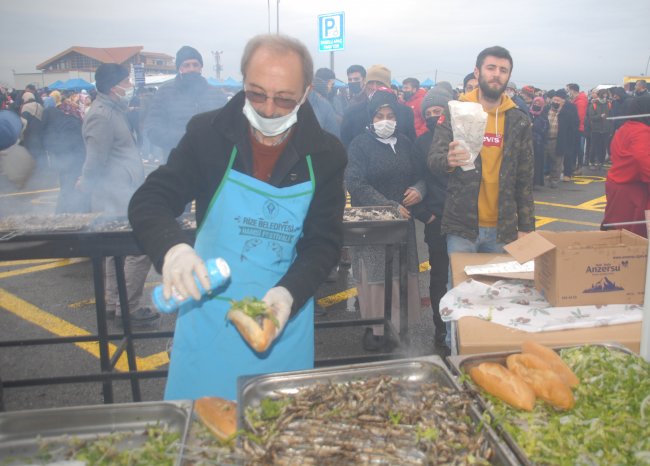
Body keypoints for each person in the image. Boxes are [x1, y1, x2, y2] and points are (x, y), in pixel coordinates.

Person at [128, 34, 347, 400]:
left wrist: (288, 293)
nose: (268, 109)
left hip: (282, 320)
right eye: (257, 93)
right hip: (207, 319)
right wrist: (174, 250)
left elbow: (323, 242)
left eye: (284, 99)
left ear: (306, 93)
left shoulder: (326, 153)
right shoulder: (208, 134)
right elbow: (149, 200)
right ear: (243, 80)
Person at [429, 46, 534, 347]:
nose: (496, 74)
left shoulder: (518, 119)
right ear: (477, 72)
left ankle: (492, 353)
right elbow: (433, 160)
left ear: (508, 76)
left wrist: (527, 227)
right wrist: (447, 159)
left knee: (500, 300)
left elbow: (525, 179)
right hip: (462, 226)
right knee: (459, 300)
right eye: (491, 68)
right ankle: (456, 357)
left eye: (503, 70)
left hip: (503, 228)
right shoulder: (456, 110)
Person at [78, 63, 159, 328]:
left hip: (123, 191)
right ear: (114, 87)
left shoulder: (115, 111)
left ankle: (116, 304)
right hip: (114, 194)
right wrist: (86, 185)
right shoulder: (101, 115)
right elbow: (95, 159)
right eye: (126, 81)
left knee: (116, 251)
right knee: (139, 248)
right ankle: (129, 306)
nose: (130, 86)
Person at [345, 89, 425, 352]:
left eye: (390, 115)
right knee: (376, 278)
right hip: (374, 225)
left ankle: (399, 326)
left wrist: (419, 189)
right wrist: (390, 206)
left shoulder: (404, 142)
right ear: (371, 118)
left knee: (400, 275)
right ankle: (375, 329)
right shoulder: (360, 145)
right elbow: (355, 182)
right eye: (379, 116)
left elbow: (420, 174)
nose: (385, 120)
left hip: (403, 225)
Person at [415, 84, 453, 351]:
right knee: (439, 277)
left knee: (462, 275)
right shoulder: (421, 143)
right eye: (428, 112)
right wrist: (425, 215)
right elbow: (415, 179)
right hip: (436, 220)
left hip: (466, 219)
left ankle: (463, 326)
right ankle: (441, 327)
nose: (433, 115)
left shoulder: (462, 136)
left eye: (438, 110)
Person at [144, 46, 227, 162]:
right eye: (186, 65)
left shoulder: (217, 94)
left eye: (195, 64)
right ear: (180, 68)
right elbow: (153, 129)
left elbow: (228, 127)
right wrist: (184, 138)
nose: (191, 69)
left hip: (210, 160)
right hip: (177, 160)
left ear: (201, 67)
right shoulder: (164, 93)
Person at [602, 95, 650, 237]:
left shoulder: (625, 127)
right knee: (633, 235)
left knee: (617, 230)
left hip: (617, 184)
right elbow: (641, 158)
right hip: (632, 187)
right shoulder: (643, 131)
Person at [340, 65, 416, 148]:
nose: (374, 87)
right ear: (365, 84)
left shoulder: (405, 112)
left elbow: (411, 144)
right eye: (370, 82)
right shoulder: (352, 112)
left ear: (388, 86)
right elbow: (345, 145)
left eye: (379, 83)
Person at [41, 90, 89, 213]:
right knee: (72, 191)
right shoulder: (73, 121)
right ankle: (66, 216)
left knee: (66, 189)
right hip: (75, 160)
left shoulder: (54, 116)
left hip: (63, 159)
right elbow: (80, 145)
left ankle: (61, 215)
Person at [550, 89, 580, 183]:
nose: (555, 101)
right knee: (554, 155)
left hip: (568, 134)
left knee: (567, 154)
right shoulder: (551, 106)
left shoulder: (571, 107)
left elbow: (576, 121)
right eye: (554, 99)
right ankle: (552, 174)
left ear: (563, 99)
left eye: (558, 99)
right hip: (556, 133)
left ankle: (567, 173)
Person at [308, 68, 340, 137]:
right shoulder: (323, 105)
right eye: (332, 84)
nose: (333, 87)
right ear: (326, 83)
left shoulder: (332, 100)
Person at [586, 88, 611, 168]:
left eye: (606, 95)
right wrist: (600, 116)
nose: (605, 97)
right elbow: (591, 117)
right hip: (595, 129)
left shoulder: (609, 104)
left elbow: (611, 116)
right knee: (594, 145)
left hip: (606, 129)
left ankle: (601, 161)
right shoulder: (594, 104)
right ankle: (591, 161)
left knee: (604, 146)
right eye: (604, 95)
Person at [566, 83, 588, 172]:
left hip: (578, 128)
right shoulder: (576, 100)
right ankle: (574, 166)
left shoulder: (580, 101)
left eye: (568, 90)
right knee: (575, 147)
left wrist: (574, 127)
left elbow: (580, 116)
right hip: (576, 127)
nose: (567, 92)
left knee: (578, 148)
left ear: (572, 90)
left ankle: (579, 166)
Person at [19, 91, 45, 160]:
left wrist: (20, 137)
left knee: (31, 153)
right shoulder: (39, 105)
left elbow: (23, 122)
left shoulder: (25, 107)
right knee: (39, 153)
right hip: (40, 132)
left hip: (29, 134)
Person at [529, 96, 549, 186]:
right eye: (535, 103)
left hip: (538, 144)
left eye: (539, 104)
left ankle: (536, 181)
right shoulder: (528, 114)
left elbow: (544, 130)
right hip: (528, 142)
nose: (536, 105)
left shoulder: (544, 116)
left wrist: (534, 126)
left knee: (537, 163)